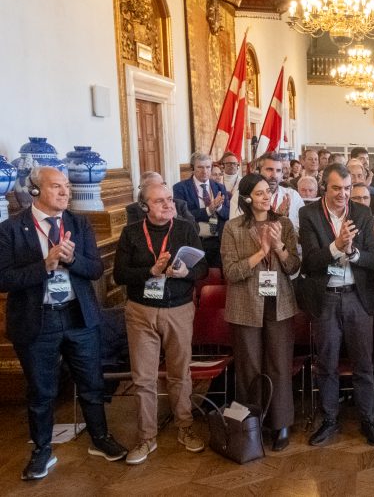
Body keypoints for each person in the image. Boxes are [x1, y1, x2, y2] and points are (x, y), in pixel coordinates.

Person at [0, 167, 128, 480]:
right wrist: (44, 266)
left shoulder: (78, 223)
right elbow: (3, 279)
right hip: (36, 319)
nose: (65, 192)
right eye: (56, 187)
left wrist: (71, 261)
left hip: (77, 315)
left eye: (67, 187)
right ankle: (42, 451)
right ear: (35, 191)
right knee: (42, 391)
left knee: (91, 382)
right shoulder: (11, 229)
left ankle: (100, 438)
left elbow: (96, 269)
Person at [114, 183, 208, 464]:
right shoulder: (131, 233)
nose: (168, 205)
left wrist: (185, 272)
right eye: (160, 201)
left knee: (180, 373)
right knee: (143, 377)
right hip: (141, 311)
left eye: (170, 200)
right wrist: (150, 271)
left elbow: (202, 268)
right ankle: (146, 437)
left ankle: (185, 427)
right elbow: (119, 274)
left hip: (179, 308)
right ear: (144, 206)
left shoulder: (185, 229)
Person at [299, 164, 374, 446]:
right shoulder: (308, 214)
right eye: (336, 188)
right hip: (326, 298)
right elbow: (309, 262)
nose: (343, 195)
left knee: (363, 363)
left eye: (347, 189)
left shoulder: (362, 213)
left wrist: (353, 252)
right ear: (325, 186)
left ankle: (367, 419)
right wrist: (336, 246)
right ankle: (330, 419)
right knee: (327, 363)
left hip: (357, 296)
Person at [221, 173, 301, 451]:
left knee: (279, 365)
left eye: (268, 191)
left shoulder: (285, 224)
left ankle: (280, 425)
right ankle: (251, 424)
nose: (267, 197)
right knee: (249, 368)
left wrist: (277, 248)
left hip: (280, 304)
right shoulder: (233, 228)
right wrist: (260, 253)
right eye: (259, 193)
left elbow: (293, 267)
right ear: (246, 198)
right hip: (245, 305)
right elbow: (231, 272)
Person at [173, 151, 230, 267]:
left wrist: (218, 208)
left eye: (208, 167)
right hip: (197, 241)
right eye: (200, 167)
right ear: (192, 168)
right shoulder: (180, 188)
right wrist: (208, 210)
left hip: (219, 240)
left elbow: (229, 214)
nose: (205, 171)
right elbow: (183, 216)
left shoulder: (220, 187)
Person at [230, 153, 303, 228]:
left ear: (282, 174)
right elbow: (236, 228)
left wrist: (284, 222)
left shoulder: (293, 195)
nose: (274, 175)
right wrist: (277, 218)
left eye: (278, 171)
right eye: (269, 169)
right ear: (257, 172)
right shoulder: (243, 194)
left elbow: (300, 230)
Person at [125, 171, 195, 225]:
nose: (162, 189)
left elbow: (195, 229)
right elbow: (133, 235)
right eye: (155, 187)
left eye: (163, 184)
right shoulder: (134, 209)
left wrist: (176, 217)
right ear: (143, 190)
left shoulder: (180, 204)